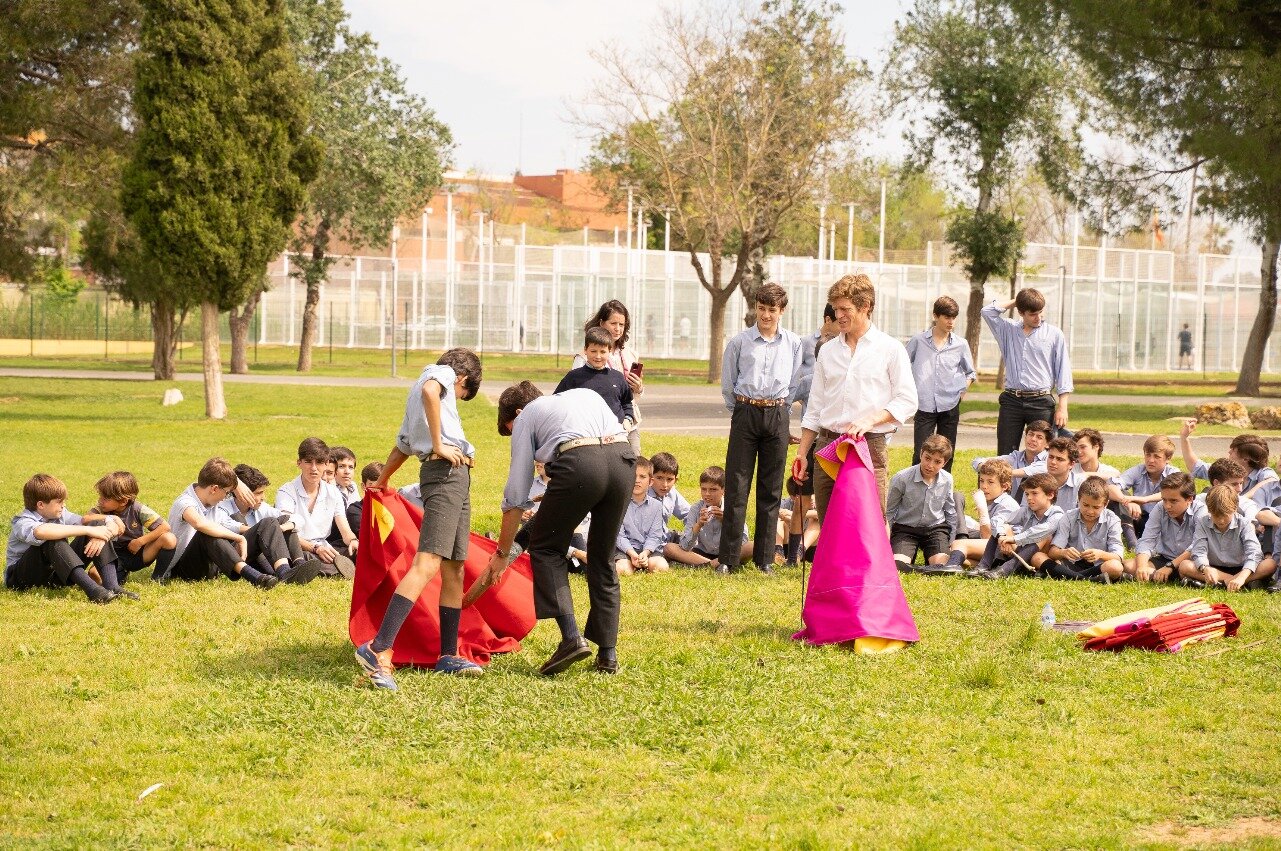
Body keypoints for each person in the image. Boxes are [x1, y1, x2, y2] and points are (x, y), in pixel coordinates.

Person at [477, 382, 635, 676]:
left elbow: (516, 494)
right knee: (602, 558)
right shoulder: (584, 396)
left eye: (511, 431)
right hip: (624, 461)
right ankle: (608, 656)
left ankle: (571, 639)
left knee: (547, 549)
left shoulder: (527, 416)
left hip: (582, 464)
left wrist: (501, 552)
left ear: (519, 412)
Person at [355, 348, 486, 689]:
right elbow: (433, 392)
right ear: (463, 379)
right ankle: (378, 647)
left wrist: (381, 483)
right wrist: (441, 444)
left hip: (455, 477)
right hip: (445, 473)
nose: (455, 399)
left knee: (455, 565)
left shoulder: (418, 396)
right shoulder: (438, 375)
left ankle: (447, 655)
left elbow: (402, 446)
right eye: (462, 395)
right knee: (427, 562)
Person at [794, 273, 918, 518]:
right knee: (829, 525)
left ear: (865, 306)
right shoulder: (828, 352)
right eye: (835, 308)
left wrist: (870, 420)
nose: (838, 315)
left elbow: (907, 400)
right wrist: (802, 454)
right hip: (828, 446)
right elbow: (815, 408)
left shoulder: (890, 349)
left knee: (867, 526)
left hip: (868, 446)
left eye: (844, 309)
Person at [719, 283, 803, 574]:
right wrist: (742, 411)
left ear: (782, 311)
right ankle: (728, 559)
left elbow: (793, 383)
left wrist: (781, 410)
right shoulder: (740, 342)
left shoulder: (793, 343)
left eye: (772, 310)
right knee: (737, 486)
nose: (766, 315)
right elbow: (728, 384)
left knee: (771, 489)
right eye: (762, 308)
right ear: (756, 307)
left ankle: (765, 558)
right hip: (745, 412)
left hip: (777, 413)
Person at [158, 457, 283, 589]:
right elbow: (199, 524)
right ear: (214, 489)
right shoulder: (184, 502)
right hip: (184, 569)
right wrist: (239, 538)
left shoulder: (212, 504)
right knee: (206, 532)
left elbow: (230, 524)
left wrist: (237, 484)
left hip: (213, 563)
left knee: (265, 523)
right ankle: (254, 576)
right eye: (227, 493)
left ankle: (281, 572)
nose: (226, 497)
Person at [6, 473, 125, 603]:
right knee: (51, 538)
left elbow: (87, 521)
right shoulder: (22, 521)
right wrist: (89, 530)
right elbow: (41, 531)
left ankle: (112, 586)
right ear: (40, 505)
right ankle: (93, 591)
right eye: (59, 502)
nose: (63, 505)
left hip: (55, 575)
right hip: (21, 579)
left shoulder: (60, 514)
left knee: (95, 526)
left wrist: (109, 522)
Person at [981, 288, 1073, 455]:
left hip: (1041, 402)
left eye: (1040, 312)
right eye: (1032, 314)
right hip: (1011, 401)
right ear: (1021, 312)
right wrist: (1018, 299)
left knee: (1042, 454)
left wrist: (1063, 406)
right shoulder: (1007, 330)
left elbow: (1063, 369)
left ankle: (1035, 482)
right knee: (1005, 453)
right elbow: (987, 312)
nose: (1038, 317)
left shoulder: (1054, 334)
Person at [785, 304, 838, 564]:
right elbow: (784, 403)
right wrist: (786, 433)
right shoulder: (807, 382)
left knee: (832, 504)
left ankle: (828, 552)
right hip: (812, 445)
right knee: (801, 502)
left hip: (837, 445)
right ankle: (794, 554)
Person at [905, 296, 976, 472]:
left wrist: (962, 391)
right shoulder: (918, 341)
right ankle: (916, 490)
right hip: (924, 405)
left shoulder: (961, 344)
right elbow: (903, 367)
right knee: (921, 451)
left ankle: (943, 492)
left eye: (953, 318)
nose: (951, 322)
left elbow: (970, 372)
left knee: (946, 454)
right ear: (936, 316)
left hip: (950, 406)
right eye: (947, 317)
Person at [219, 464, 321, 585]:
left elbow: (298, 519)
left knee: (283, 520)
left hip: (258, 556)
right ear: (242, 494)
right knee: (268, 523)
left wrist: (281, 527)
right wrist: (263, 530)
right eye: (258, 493)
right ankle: (284, 572)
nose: (263, 497)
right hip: (236, 553)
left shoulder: (261, 508)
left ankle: (299, 564)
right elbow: (224, 525)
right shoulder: (223, 506)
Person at [276, 437, 359, 579]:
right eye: (308, 462)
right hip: (297, 546)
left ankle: (333, 565)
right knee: (305, 556)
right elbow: (286, 532)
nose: (314, 468)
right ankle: (325, 567)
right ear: (299, 463)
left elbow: (345, 531)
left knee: (355, 550)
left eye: (319, 462)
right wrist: (315, 548)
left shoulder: (333, 493)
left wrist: (353, 541)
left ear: (327, 464)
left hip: (324, 546)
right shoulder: (286, 491)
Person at [928, 459, 1021, 575]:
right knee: (959, 554)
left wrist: (982, 510)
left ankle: (951, 567)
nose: (984, 486)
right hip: (993, 550)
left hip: (1006, 548)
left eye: (990, 482)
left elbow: (988, 537)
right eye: (982, 481)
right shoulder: (992, 501)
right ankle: (986, 566)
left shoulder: (1007, 504)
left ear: (1005, 486)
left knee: (959, 544)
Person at [574, 300, 644, 452]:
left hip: (629, 424)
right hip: (600, 427)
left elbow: (632, 397)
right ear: (601, 323)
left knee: (636, 468)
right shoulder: (584, 357)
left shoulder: (630, 354)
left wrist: (638, 388)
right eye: (613, 323)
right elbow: (574, 395)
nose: (618, 329)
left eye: (622, 325)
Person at [966, 472, 1064, 580]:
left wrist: (1014, 539)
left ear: (1050, 495)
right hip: (1021, 555)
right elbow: (998, 519)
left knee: (1043, 536)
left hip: (1041, 559)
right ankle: (984, 566)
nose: (1029, 498)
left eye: (1034, 493)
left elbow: (1041, 531)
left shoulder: (1057, 514)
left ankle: (1004, 570)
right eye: (1027, 494)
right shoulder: (1026, 510)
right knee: (1001, 527)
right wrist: (1001, 536)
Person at [93, 470, 176, 588]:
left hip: (136, 553)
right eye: (100, 495)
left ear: (123, 501)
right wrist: (110, 517)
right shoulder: (102, 509)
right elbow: (86, 518)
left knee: (169, 539)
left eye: (105, 498)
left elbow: (165, 527)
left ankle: (158, 577)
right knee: (93, 574)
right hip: (112, 556)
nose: (100, 500)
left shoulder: (138, 509)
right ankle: (120, 574)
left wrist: (140, 541)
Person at [886, 434, 958, 571]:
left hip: (935, 528)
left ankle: (932, 558)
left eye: (937, 462)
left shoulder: (947, 479)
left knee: (941, 566)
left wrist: (951, 540)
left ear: (945, 463)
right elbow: (888, 512)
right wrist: (884, 541)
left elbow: (950, 511)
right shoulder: (901, 478)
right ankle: (908, 558)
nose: (930, 465)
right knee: (898, 565)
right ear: (921, 454)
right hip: (905, 529)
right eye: (927, 458)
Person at [1032, 476, 1124, 582]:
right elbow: (1053, 552)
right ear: (1078, 500)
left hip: (1098, 566)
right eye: (1085, 505)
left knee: (1116, 567)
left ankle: (1064, 576)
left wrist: (1100, 554)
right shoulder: (1068, 517)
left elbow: (1118, 557)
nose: (1090, 511)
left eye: (1096, 507)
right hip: (1070, 564)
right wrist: (1064, 552)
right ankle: (1089, 579)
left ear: (1105, 504)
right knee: (1037, 557)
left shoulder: (1112, 520)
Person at [1180, 485, 1271, 591]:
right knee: (1185, 565)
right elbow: (1199, 550)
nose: (1221, 521)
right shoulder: (1202, 522)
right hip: (1214, 568)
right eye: (1216, 516)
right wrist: (1205, 567)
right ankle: (1238, 583)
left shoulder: (1244, 523)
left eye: (1225, 515)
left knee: (1270, 564)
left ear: (1235, 509)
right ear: (1209, 510)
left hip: (1242, 568)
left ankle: (1223, 583)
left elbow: (1254, 553)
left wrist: (1242, 576)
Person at [668, 466, 752, 570]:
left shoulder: (732, 508)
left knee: (752, 546)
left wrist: (725, 521)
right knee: (669, 548)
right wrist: (698, 525)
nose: (707, 494)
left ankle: (710, 564)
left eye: (713, 489)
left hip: (727, 551)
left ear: (724, 490)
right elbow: (685, 546)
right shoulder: (696, 508)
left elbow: (743, 540)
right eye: (704, 489)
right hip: (702, 553)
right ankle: (714, 564)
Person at [555, 326, 635, 432]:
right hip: (584, 434)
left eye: (603, 352)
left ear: (609, 351)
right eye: (593, 351)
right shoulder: (573, 377)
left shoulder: (618, 377)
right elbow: (557, 402)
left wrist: (628, 419)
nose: (598, 356)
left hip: (616, 435)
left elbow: (627, 403)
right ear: (585, 350)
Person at [1126, 472, 1197, 584]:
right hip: (1165, 558)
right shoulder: (1160, 507)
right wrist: (1141, 567)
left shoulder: (1201, 511)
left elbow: (1197, 546)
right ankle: (1170, 576)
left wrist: (1170, 566)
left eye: (1173, 501)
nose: (1167, 505)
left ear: (1189, 499)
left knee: (1186, 567)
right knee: (1129, 566)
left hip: (1189, 561)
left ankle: (1165, 574)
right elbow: (1147, 539)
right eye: (1164, 500)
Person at [1110, 435, 1181, 543]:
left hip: (1165, 520)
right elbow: (1110, 487)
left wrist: (1143, 499)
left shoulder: (1173, 473)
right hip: (1140, 518)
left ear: (1168, 459)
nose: (1150, 460)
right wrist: (1127, 501)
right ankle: (1132, 542)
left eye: (1157, 457)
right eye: (1148, 455)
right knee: (1118, 497)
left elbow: (1174, 492)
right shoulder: (1138, 470)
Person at [1181, 421, 1277, 492]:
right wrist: (1184, 437)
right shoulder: (1226, 470)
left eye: (1233, 451)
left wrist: (1245, 499)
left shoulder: (1263, 474)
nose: (1229, 452)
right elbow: (1195, 466)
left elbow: (1272, 481)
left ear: (1246, 459)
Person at [614, 457, 670, 576]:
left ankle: (645, 562)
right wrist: (632, 554)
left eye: (642, 477)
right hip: (625, 550)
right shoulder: (619, 504)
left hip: (648, 550)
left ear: (650, 482)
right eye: (633, 476)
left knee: (661, 567)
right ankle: (631, 564)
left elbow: (655, 535)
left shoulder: (656, 506)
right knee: (622, 570)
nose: (637, 480)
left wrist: (645, 553)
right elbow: (619, 535)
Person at [649, 452, 691, 547]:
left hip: (666, 537)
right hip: (647, 543)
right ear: (650, 477)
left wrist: (691, 534)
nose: (665, 485)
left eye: (669, 479)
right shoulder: (642, 494)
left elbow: (689, 514)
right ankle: (709, 562)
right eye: (659, 478)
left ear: (675, 480)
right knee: (670, 549)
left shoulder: (672, 493)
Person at [1040, 436, 1086, 514]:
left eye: (1059, 459)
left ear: (1071, 464)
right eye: (1051, 457)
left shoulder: (1081, 487)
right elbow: (1024, 516)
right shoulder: (1035, 482)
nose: (1053, 462)